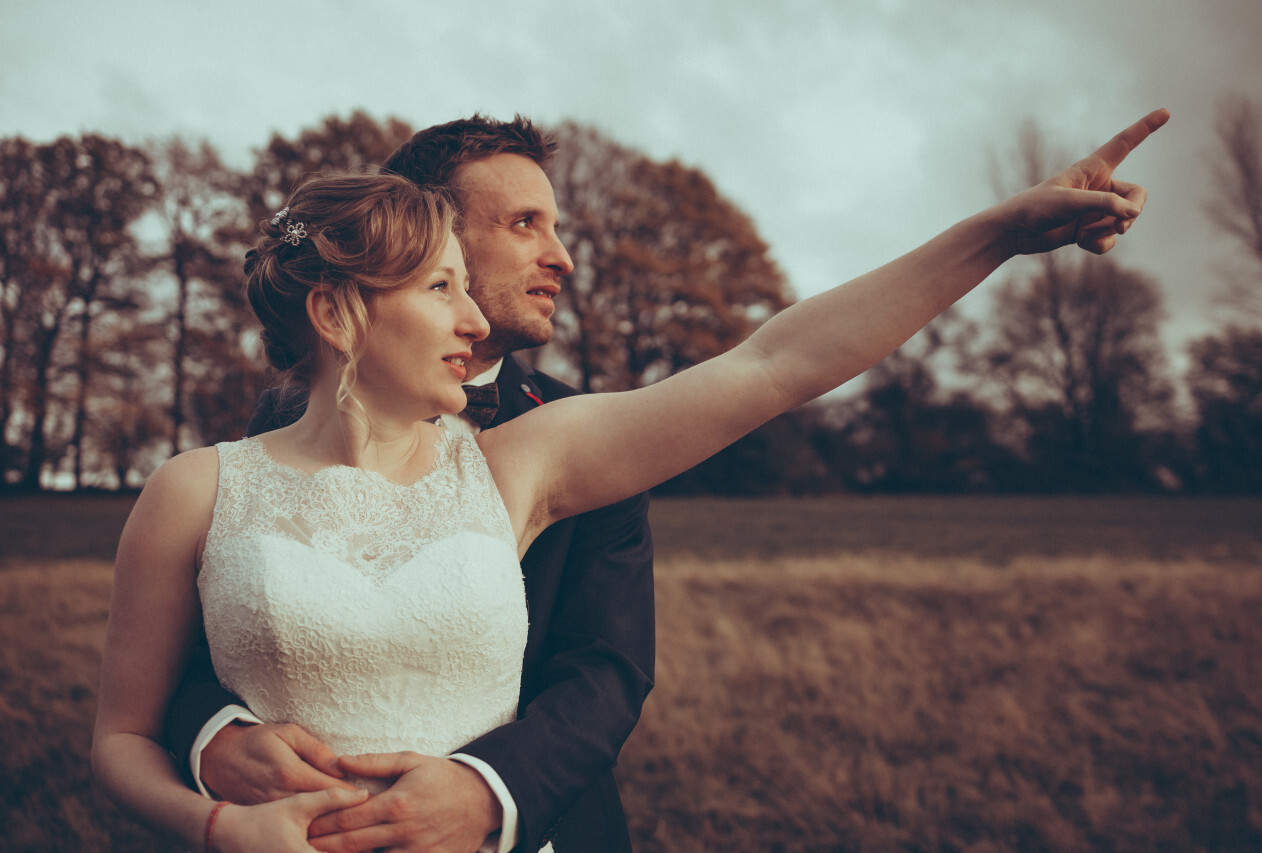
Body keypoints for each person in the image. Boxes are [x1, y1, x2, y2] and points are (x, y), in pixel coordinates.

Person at [92, 108, 1170, 853]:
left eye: (473, 290)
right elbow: (126, 730)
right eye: (442, 285)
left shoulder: (529, 458)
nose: (475, 318)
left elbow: (772, 365)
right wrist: (219, 817)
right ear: (339, 311)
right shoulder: (196, 487)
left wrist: (993, 232)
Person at [161, 117, 655, 853]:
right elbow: (205, 635)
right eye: (527, 224)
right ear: (424, 234)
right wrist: (214, 738)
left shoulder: (578, 437)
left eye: (555, 226)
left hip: (537, 824)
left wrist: (489, 789)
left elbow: (607, 666)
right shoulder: (274, 425)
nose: (563, 258)